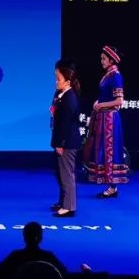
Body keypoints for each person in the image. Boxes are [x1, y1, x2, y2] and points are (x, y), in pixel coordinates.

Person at [83, 45, 128, 199]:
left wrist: (101, 105)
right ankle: (109, 184)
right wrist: (98, 102)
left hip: (110, 119)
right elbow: (105, 96)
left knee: (110, 150)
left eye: (103, 59)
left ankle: (112, 186)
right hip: (103, 117)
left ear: (111, 60)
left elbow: (119, 101)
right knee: (103, 149)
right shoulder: (108, 75)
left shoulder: (115, 76)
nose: (101, 61)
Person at [51, 60, 83, 218]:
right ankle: (63, 201)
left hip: (67, 143)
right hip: (61, 141)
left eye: (58, 79)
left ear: (68, 81)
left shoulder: (70, 98)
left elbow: (66, 124)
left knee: (67, 175)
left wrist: (60, 144)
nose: (56, 82)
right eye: (55, 78)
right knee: (60, 174)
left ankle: (69, 207)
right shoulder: (60, 95)